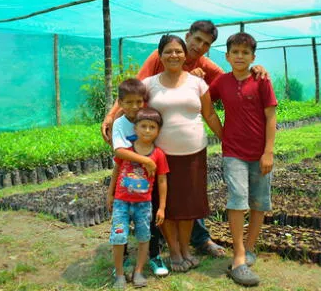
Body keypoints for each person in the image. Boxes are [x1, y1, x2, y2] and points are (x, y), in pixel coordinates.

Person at [101, 20, 269, 259]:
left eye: (206, 44)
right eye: (197, 39)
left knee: (190, 200)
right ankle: (153, 246)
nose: (199, 46)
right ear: (187, 36)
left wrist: (254, 69)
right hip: (159, 148)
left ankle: (197, 241)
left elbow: (232, 78)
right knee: (159, 198)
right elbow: (134, 94)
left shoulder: (202, 68)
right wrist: (112, 117)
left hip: (193, 149)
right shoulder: (157, 62)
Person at [141, 34, 223, 272]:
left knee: (188, 205)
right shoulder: (149, 85)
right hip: (162, 156)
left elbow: (209, 115)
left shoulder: (197, 83)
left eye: (178, 51)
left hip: (194, 153)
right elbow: (137, 115)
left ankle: (186, 248)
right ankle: (175, 252)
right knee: (167, 205)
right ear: (160, 55)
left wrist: (226, 138)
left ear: (185, 54)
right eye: (168, 51)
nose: (174, 55)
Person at [208, 32, 277, 286]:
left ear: (253, 57)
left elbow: (271, 117)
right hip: (233, 152)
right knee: (237, 199)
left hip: (260, 153)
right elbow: (206, 102)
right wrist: (222, 134)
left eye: (245, 53)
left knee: (259, 202)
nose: (239, 57)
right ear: (226, 56)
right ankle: (238, 256)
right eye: (235, 52)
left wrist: (268, 152)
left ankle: (249, 248)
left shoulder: (261, 80)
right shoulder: (221, 82)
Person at [110, 78, 169, 277]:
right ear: (120, 103)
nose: (134, 107)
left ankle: (154, 256)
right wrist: (146, 161)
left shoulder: (147, 118)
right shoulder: (119, 123)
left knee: (149, 224)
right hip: (124, 188)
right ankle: (123, 260)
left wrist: (152, 163)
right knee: (121, 224)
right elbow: (118, 151)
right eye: (128, 102)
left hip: (148, 186)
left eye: (138, 102)